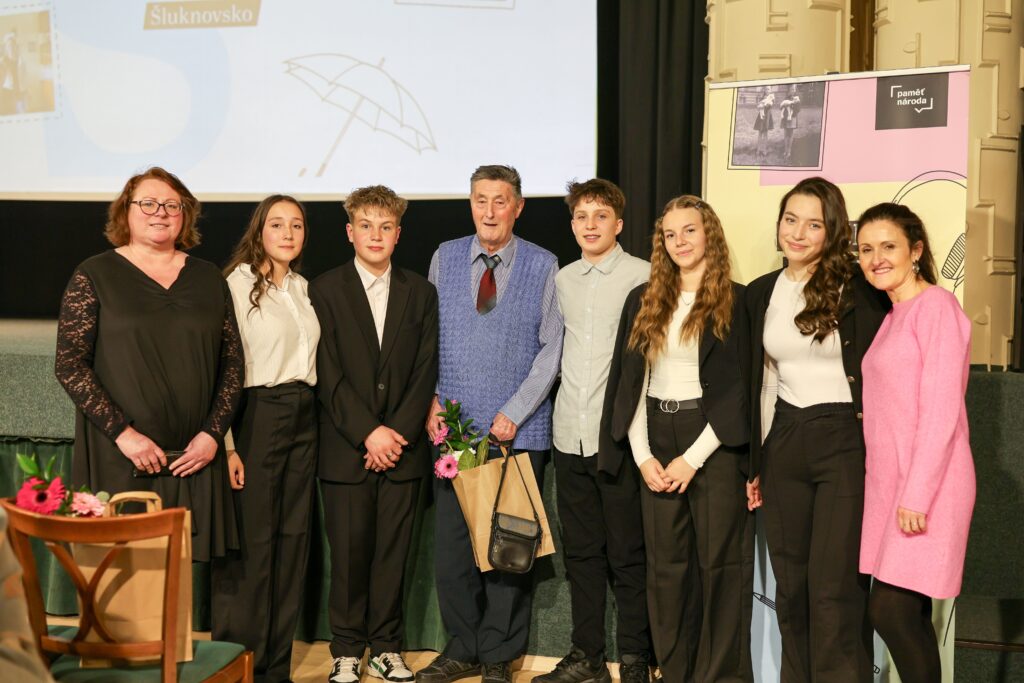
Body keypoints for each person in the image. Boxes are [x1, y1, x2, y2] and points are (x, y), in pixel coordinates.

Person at [418, 165, 563, 683]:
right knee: (454, 551)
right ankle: (463, 648)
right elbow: (428, 337)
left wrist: (515, 412)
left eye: (500, 201)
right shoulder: (445, 256)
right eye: (481, 200)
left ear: (518, 207)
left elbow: (552, 350)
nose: (489, 211)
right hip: (454, 430)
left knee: (509, 550)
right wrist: (433, 399)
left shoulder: (544, 265)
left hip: (516, 433)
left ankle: (498, 656)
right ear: (470, 204)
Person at [54, 166, 242, 562]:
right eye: (149, 203)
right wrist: (124, 434)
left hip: (194, 461)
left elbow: (232, 364)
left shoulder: (209, 278)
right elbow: (70, 364)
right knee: (119, 572)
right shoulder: (93, 275)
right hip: (122, 457)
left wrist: (212, 435)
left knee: (180, 576)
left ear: (185, 216)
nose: (161, 212)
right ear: (126, 211)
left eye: (172, 205)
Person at [602, 195, 753, 682]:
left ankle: (719, 676)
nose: (679, 241)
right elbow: (631, 383)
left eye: (689, 230)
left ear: (709, 234)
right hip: (655, 434)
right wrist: (643, 456)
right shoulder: (643, 299)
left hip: (712, 441)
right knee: (666, 570)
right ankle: (676, 671)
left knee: (718, 567)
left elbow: (738, 391)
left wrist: (693, 458)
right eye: (670, 234)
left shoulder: (738, 300)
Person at [745, 177, 890, 682]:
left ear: (833, 232)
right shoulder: (761, 292)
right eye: (791, 220)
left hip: (844, 441)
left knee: (835, 590)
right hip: (784, 439)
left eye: (813, 224)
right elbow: (763, 384)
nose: (798, 233)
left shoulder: (859, 287)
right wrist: (756, 463)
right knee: (791, 588)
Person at [311, 186, 439, 683]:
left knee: (392, 555)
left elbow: (425, 370)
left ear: (398, 234)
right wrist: (368, 433)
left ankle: (386, 647)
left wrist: (395, 435)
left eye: (386, 227)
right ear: (350, 232)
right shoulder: (323, 290)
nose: (376, 235)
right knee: (348, 555)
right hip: (348, 450)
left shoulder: (420, 292)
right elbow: (326, 371)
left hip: (402, 453)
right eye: (366, 226)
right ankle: (346, 649)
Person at [535, 179, 651, 683]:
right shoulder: (563, 279)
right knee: (581, 555)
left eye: (600, 216)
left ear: (618, 224)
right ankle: (587, 656)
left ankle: (636, 658)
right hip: (568, 433)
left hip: (619, 437)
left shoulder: (644, 275)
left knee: (626, 555)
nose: (590, 225)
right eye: (581, 216)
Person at [855, 203, 975, 682]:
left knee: (891, 612)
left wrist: (917, 495)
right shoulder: (893, 314)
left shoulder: (937, 308)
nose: (876, 259)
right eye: (866, 249)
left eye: (889, 246)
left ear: (917, 250)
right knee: (909, 615)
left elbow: (942, 410)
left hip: (928, 488)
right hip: (893, 486)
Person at [211, 195, 320, 683]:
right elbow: (220, 371)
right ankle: (238, 668)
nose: (288, 233)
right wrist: (229, 445)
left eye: (296, 225)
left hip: (303, 415)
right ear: (259, 231)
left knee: (291, 544)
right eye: (277, 224)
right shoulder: (234, 287)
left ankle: (276, 669)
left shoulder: (301, 287)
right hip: (255, 414)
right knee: (251, 547)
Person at [779, 94, 801, 162]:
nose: (792, 90)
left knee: (790, 134)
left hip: (792, 117)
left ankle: (789, 151)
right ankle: (785, 150)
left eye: (793, 89)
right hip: (785, 118)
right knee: (786, 134)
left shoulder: (797, 99)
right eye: (791, 89)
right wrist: (784, 105)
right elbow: (781, 107)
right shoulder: (787, 98)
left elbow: (798, 109)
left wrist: (792, 106)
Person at [754, 92, 774, 160]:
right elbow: (758, 107)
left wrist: (763, 105)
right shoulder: (761, 100)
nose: (766, 97)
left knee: (765, 134)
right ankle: (758, 150)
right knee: (760, 134)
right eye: (765, 96)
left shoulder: (771, 100)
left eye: (767, 96)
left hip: (767, 118)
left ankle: (764, 150)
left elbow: (768, 105)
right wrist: (760, 104)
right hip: (761, 118)